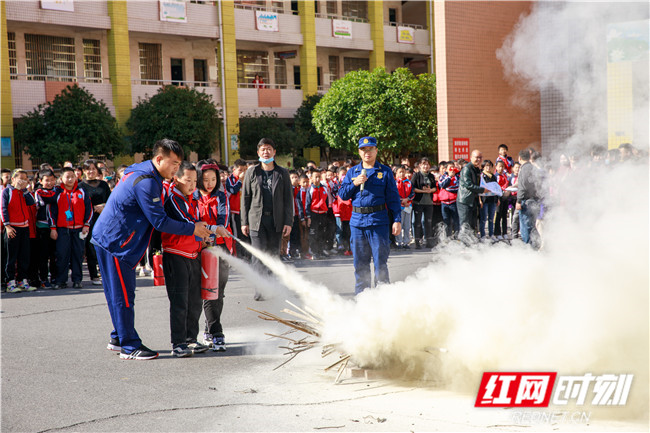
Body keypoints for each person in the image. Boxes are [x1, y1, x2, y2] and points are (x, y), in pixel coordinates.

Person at [92, 139, 213, 360]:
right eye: (173, 163)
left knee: (117, 294)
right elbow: (160, 222)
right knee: (122, 296)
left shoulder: (146, 171)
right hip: (116, 242)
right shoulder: (147, 182)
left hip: (110, 238)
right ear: (159, 159)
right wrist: (193, 229)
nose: (176, 168)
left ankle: (119, 336)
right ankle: (129, 346)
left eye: (179, 164)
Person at [161, 162, 213, 358]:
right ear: (177, 179)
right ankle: (178, 342)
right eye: (187, 180)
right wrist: (211, 229)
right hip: (176, 255)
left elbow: (198, 224)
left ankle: (191, 338)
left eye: (194, 181)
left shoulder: (193, 200)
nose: (192, 184)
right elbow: (187, 222)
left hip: (193, 254)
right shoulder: (174, 199)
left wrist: (208, 235)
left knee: (194, 300)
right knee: (179, 301)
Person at [338, 136, 402, 295]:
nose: (367, 152)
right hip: (358, 223)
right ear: (359, 152)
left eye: (370, 149)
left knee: (380, 263)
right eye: (363, 150)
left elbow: (393, 198)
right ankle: (363, 298)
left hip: (378, 222)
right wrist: (354, 183)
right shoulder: (353, 172)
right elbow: (343, 195)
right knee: (360, 264)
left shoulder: (385, 172)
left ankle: (382, 297)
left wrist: (397, 220)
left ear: (376, 150)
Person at [240, 137, 293, 301]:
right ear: (258, 152)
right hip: (257, 221)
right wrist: (244, 222)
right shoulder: (252, 172)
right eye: (262, 149)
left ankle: (272, 286)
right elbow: (245, 198)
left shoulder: (282, 173)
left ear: (274, 152)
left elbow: (288, 200)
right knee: (258, 256)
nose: (266, 151)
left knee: (273, 255)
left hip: (276, 221)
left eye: (269, 148)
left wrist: (288, 222)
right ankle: (260, 288)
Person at [194, 162, 231, 352]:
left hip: (221, 248)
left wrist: (213, 237)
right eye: (205, 179)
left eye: (213, 180)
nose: (209, 183)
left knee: (218, 291)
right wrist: (205, 238)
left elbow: (222, 221)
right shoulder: (192, 196)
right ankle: (217, 332)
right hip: (198, 249)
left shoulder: (222, 195)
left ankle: (210, 328)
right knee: (207, 291)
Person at [50, 167, 92, 289]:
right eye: (67, 177)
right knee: (62, 255)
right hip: (63, 229)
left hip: (79, 229)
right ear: (61, 179)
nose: (70, 179)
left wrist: (86, 225)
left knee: (78, 255)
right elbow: (52, 212)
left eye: (72, 177)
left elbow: (89, 210)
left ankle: (77, 280)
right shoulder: (57, 192)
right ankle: (61, 280)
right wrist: (53, 228)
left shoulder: (82, 191)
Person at [1, 169, 37, 293]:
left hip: (24, 228)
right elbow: (3, 208)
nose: (22, 181)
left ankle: (23, 281)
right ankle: (10, 282)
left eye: (25, 179)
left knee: (24, 256)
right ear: (13, 179)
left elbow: (32, 203)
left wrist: (25, 190)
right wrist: (7, 226)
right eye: (20, 178)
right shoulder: (7, 191)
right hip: (12, 228)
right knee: (11, 256)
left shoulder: (24, 192)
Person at [80, 159, 111, 286]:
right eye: (88, 169)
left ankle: (107, 272)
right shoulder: (80, 186)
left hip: (103, 219)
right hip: (89, 220)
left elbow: (111, 201)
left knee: (105, 247)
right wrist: (92, 208)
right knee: (91, 248)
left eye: (93, 168)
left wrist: (103, 206)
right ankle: (94, 275)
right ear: (84, 171)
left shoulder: (103, 184)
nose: (90, 171)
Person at [457, 150, 490, 243]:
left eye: (480, 157)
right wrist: (482, 190)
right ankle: (463, 245)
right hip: (465, 201)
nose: (478, 160)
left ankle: (470, 244)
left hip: (473, 200)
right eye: (476, 157)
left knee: (473, 224)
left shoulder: (477, 169)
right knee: (465, 224)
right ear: (471, 157)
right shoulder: (467, 169)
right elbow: (469, 185)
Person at [34, 169, 58, 288]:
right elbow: (48, 201)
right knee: (43, 255)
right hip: (42, 226)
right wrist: (55, 198)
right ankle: (43, 278)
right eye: (46, 180)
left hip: (56, 227)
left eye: (52, 180)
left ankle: (54, 277)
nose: (49, 183)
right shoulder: (38, 192)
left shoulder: (58, 190)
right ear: (40, 181)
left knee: (54, 254)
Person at [516, 148, 541, 248]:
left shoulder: (524, 169)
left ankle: (529, 249)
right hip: (535, 200)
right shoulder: (534, 168)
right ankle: (535, 246)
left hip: (526, 201)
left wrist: (519, 200)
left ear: (520, 158)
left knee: (526, 227)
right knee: (532, 226)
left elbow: (523, 186)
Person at [411, 157, 437, 249]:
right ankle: (417, 241)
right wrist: (423, 191)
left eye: (427, 164)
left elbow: (435, 187)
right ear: (420, 165)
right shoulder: (416, 175)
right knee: (417, 222)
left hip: (429, 202)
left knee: (428, 222)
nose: (426, 166)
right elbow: (412, 188)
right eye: (424, 164)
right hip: (418, 202)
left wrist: (430, 190)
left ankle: (428, 241)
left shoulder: (431, 176)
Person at [308, 169, 328, 259]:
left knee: (322, 233)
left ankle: (321, 251)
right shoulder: (310, 189)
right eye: (315, 177)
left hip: (323, 214)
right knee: (314, 234)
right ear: (311, 178)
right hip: (314, 214)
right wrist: (308, 216)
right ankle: (314, 252)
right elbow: (307, 204)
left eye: (319, 177)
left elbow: (326, 201)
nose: (317, 179)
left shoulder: (324, 188)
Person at [478, 160, 499, 240]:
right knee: (483, 218)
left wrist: (497, 198)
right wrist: (480, 200)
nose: (488, 167)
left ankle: (491, 234)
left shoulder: (493, 176)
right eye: (486, 165)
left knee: (491, 218)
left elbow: (496, 188)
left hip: (492, 199)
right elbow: (479, 189)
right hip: (484, 199)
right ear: (483, 167)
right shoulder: (481, 176)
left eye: (490, 165)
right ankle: (482, 235)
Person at [438, 164, 460, 238]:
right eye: (450, 168)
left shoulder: (457, 176)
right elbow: (442, 185)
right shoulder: (443, 177)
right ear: (446, 169)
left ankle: (457, 237)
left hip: (454, 201)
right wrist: (449, 177)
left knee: (456, 221)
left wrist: (448, 189)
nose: (452, 169)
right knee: (446, 221)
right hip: (444, 203)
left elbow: (457, 188)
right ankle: (448, 237)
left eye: (453, 167)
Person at [395, 165, 414, 249]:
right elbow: (394, 194)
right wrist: (402, 200)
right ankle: (399, 242)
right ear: (397, 173)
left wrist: (407, 199)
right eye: (400, 172)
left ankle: (406, 242)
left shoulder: (409, 182)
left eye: (403, 171)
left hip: (408, 206)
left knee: (407, 225)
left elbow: (413, 193)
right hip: (399, 206)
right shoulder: (395, 183)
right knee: (399, 224)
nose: (402, 173)